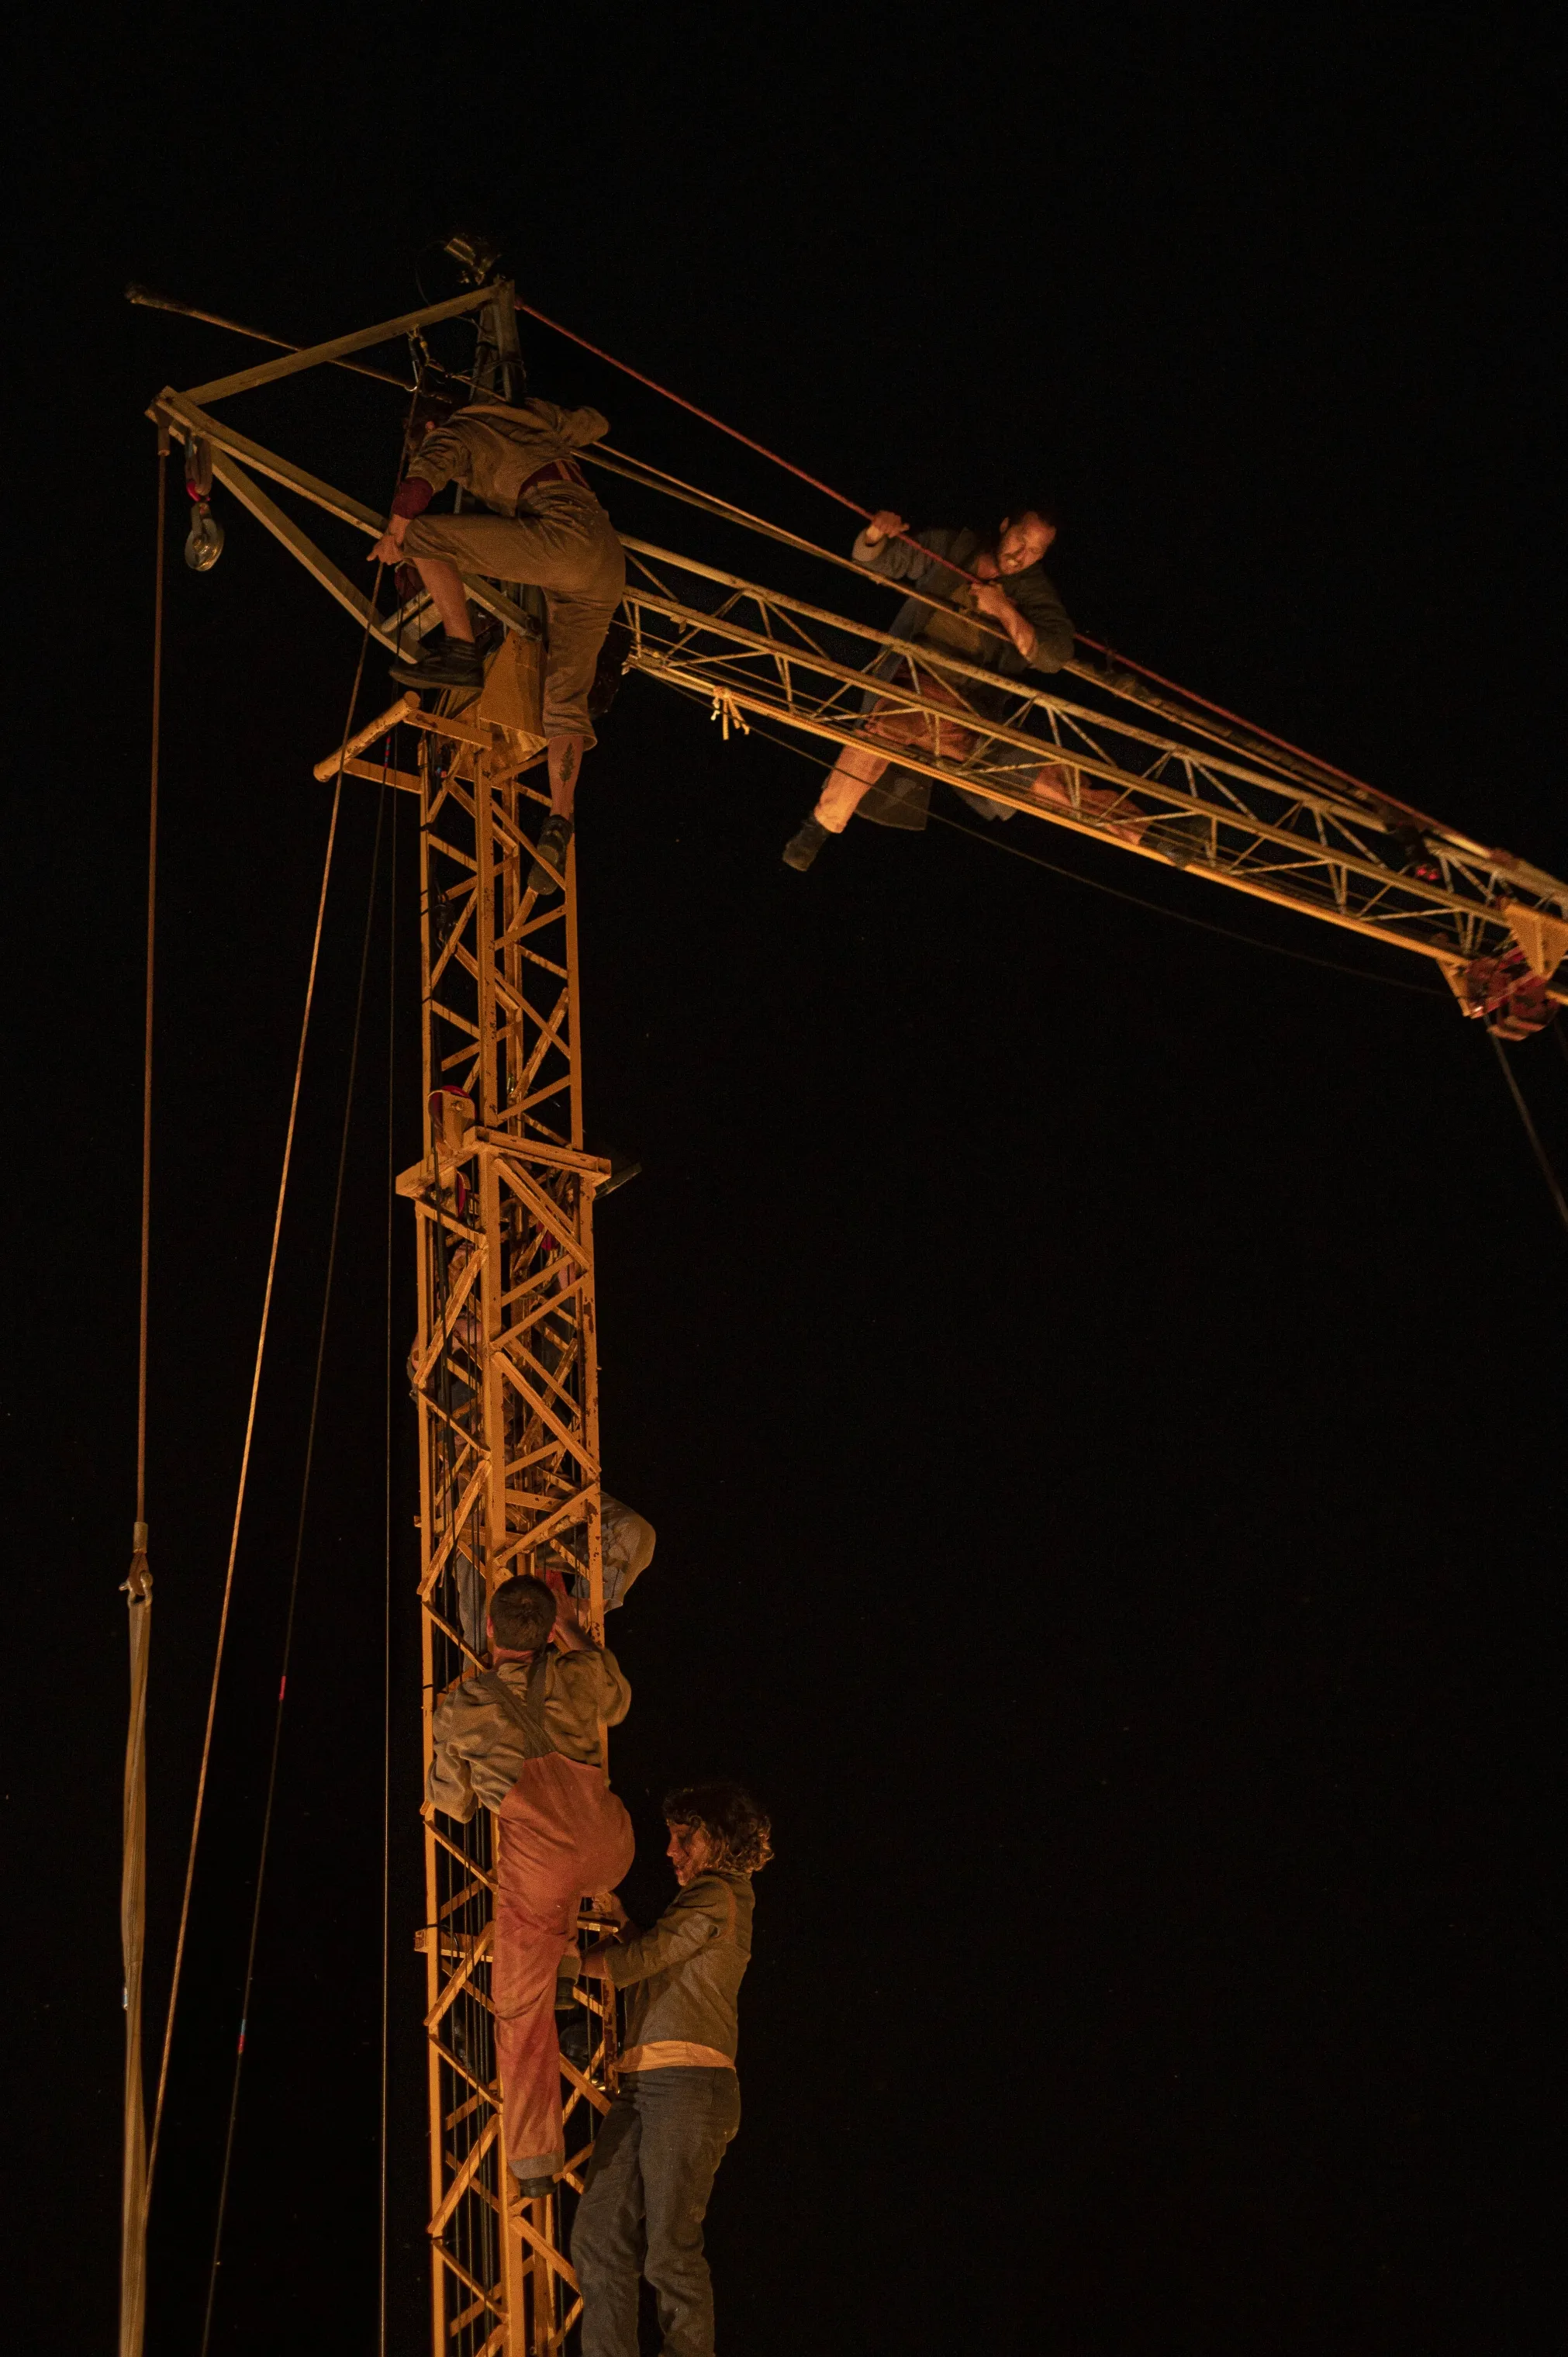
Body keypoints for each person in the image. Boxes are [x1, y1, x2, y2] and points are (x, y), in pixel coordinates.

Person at [367, 389, 627, 893]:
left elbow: (424, 479)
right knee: (564, 702)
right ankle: (559, 816)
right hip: (606, 561)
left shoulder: (454, 432)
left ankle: (462, 649)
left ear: (426, 429)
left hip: (561, 540)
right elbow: (596, 421)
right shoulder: (530, 416)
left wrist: (396, 531)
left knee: (422, 536)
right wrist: (536, 418)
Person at [427, 1572, 634, 2196]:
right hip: (612, 1849)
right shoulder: (581, 1672)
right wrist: (571, 1627)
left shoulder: (462, 1707)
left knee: (520, 2012)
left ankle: (534, 2160)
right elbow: (619, 1702)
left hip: (543, 1867)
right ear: (549, 1627)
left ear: (488, 1628)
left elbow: (454, 1806)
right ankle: (566, 1966)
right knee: (561, 1892)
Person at [572, 1782, 773, 2357]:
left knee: (670, 2249)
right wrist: (624, 1922)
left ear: (720, 1839)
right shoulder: (705, 1902)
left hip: (686, 2085)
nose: (670, 1850)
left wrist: (559, 1967)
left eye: (685, 1836)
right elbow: (656, 1956)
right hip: (644, 2086)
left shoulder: (721, 1892)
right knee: (598, 2236)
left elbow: (640, 1963)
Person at [782, 506, 1075, 868]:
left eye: (1035, 551)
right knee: (880, 731)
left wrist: (1002, 609)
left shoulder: (1034, 592)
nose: (1020, 556)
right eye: (1019, 539)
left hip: (964, 706)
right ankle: (820, 824)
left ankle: (1144, 834)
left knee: (1026, 774)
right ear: (1004, 527)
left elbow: (1053, 656)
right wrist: (876, 534)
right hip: (913, 680)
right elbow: (882, 562)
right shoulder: (954, 547)